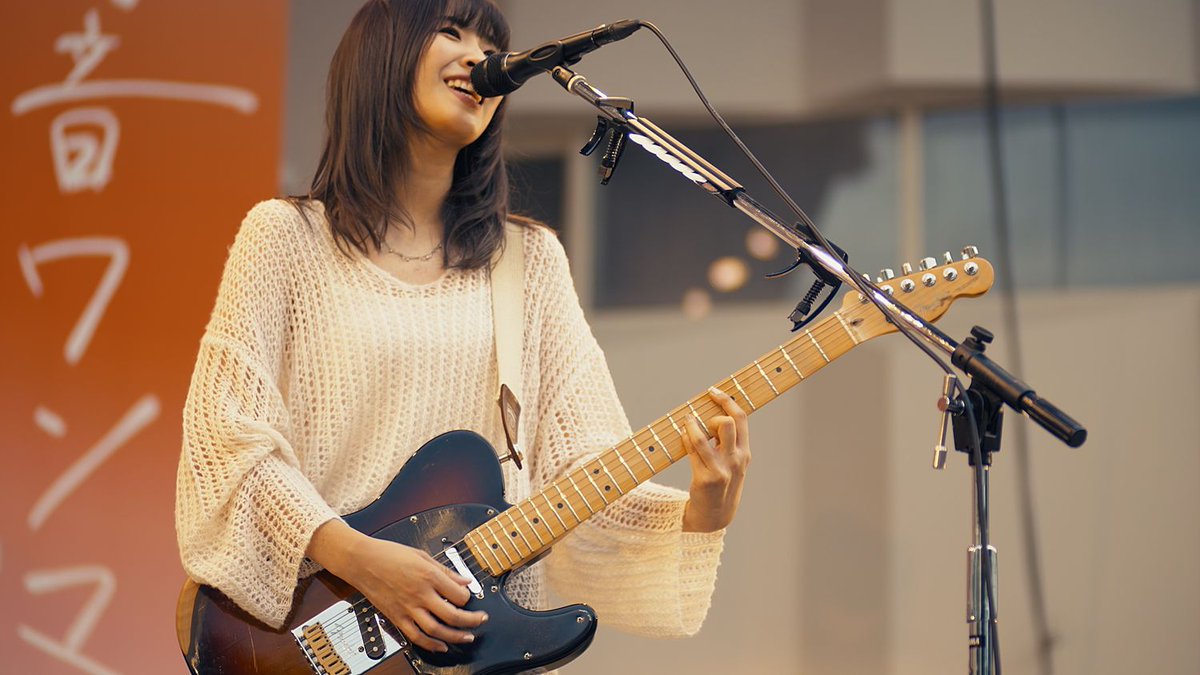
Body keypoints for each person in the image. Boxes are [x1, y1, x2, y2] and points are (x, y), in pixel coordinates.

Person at [175, 0, 750, 661]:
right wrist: (361, 560)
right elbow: (226, 440)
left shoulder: (528, 264)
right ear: (382, 54)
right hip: (312, 639)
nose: (479, 55)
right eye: (451, 30)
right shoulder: (284, 240)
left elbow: (583, 474)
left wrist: (704, 509)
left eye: (491, 40)